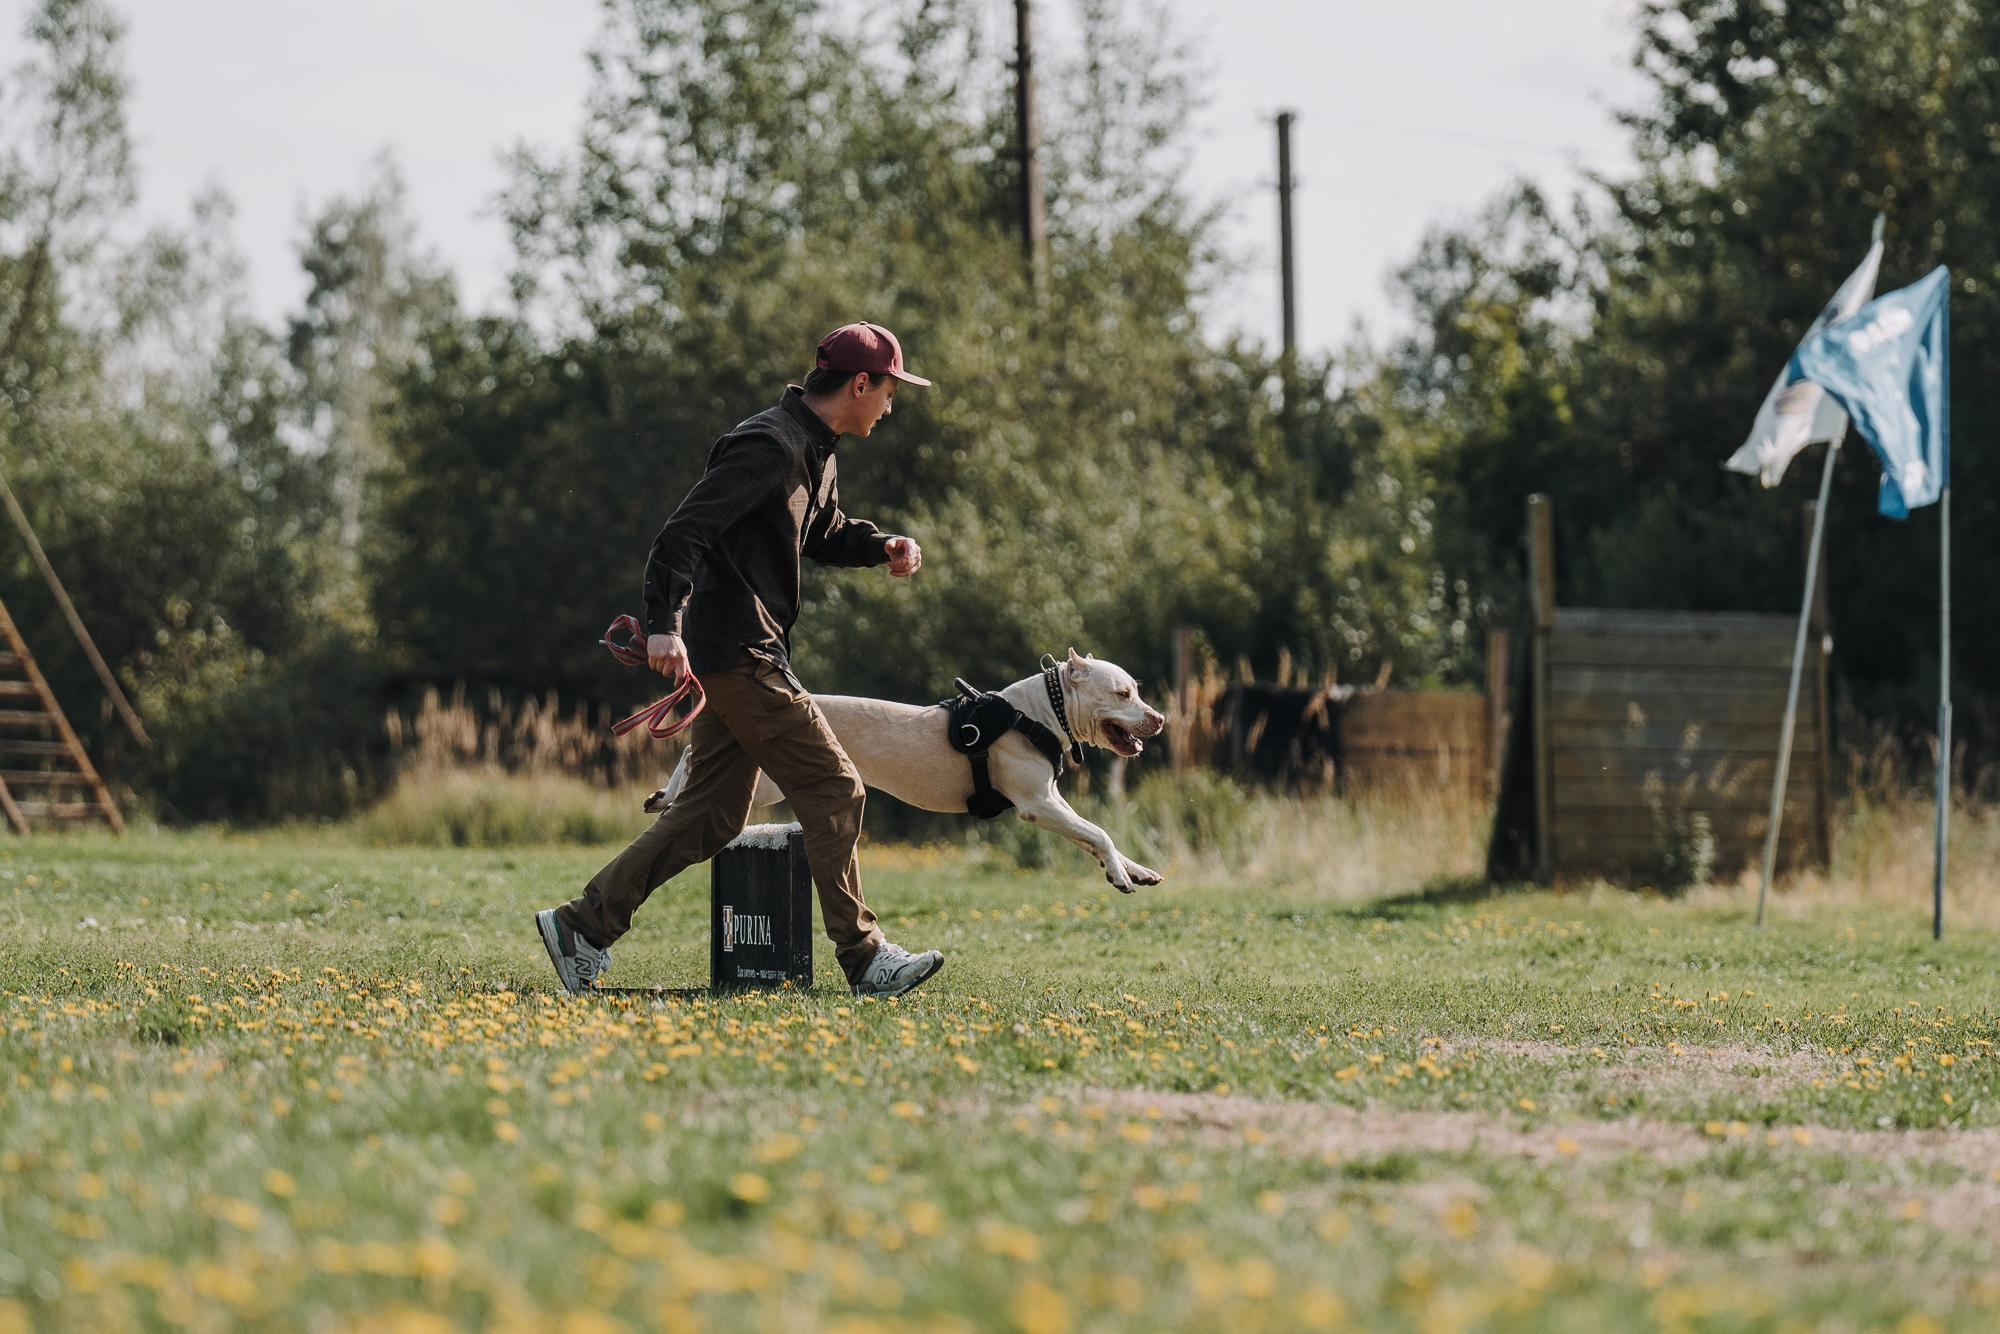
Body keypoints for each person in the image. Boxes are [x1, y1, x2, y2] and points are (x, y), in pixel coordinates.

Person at [535, 323, 944, 998]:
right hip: (739, 652)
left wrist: (882, 547)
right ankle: (867, 958)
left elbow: (823, 531)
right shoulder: (769, 444)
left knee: (712, 816)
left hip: (743, 650)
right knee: (835, 788)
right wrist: (665, 623)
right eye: (891, 391)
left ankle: (583, 927)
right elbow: (683, 532)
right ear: (861, 384)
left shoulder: (815, 449)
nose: (892, 406)